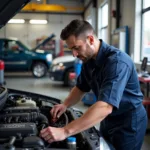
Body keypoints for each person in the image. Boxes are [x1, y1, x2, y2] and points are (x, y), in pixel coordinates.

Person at [40, 19, 148, 150]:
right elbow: (80, 88)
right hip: (108, 120)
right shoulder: (89, 60)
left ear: (90, 39)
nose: (74, 54)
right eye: (71, 49)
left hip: (129, 122)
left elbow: (105, 107)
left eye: (76, 47)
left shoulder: (117, 63)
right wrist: (65, 104)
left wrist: (65, 131)